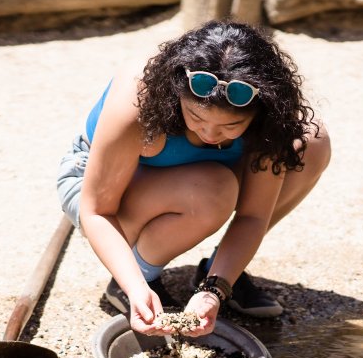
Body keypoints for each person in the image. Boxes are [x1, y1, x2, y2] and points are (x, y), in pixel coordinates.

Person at [56, 20, 331, 337]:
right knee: (212, 189)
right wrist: (135, 287)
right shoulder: (140, 97)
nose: (211, 134)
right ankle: (139, 274)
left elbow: (253, 215)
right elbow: (97, 210)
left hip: (199, 179)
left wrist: (214, 290)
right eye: (196, 117)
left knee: (310, 142)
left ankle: (222, 268)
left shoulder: (271, 120)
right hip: (99, 184)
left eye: (230, 127)